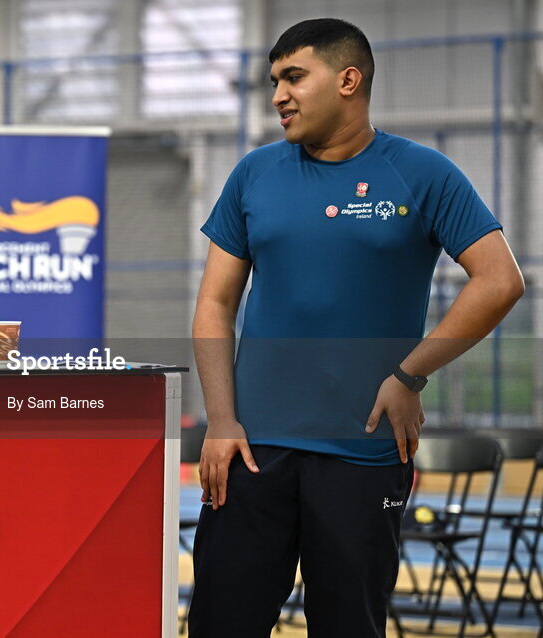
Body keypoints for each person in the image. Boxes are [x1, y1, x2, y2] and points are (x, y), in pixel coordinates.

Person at [189, 18, 524, 637]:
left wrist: (410, 374)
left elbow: (500, 281)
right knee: (220, 624)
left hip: (365, 456)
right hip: (251, 452)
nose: (278, 95)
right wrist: (221, 419)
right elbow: (213, 305)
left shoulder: (423, 174)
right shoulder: (254, 174)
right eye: (273, 81)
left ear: (349, 80)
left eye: (294, 77)